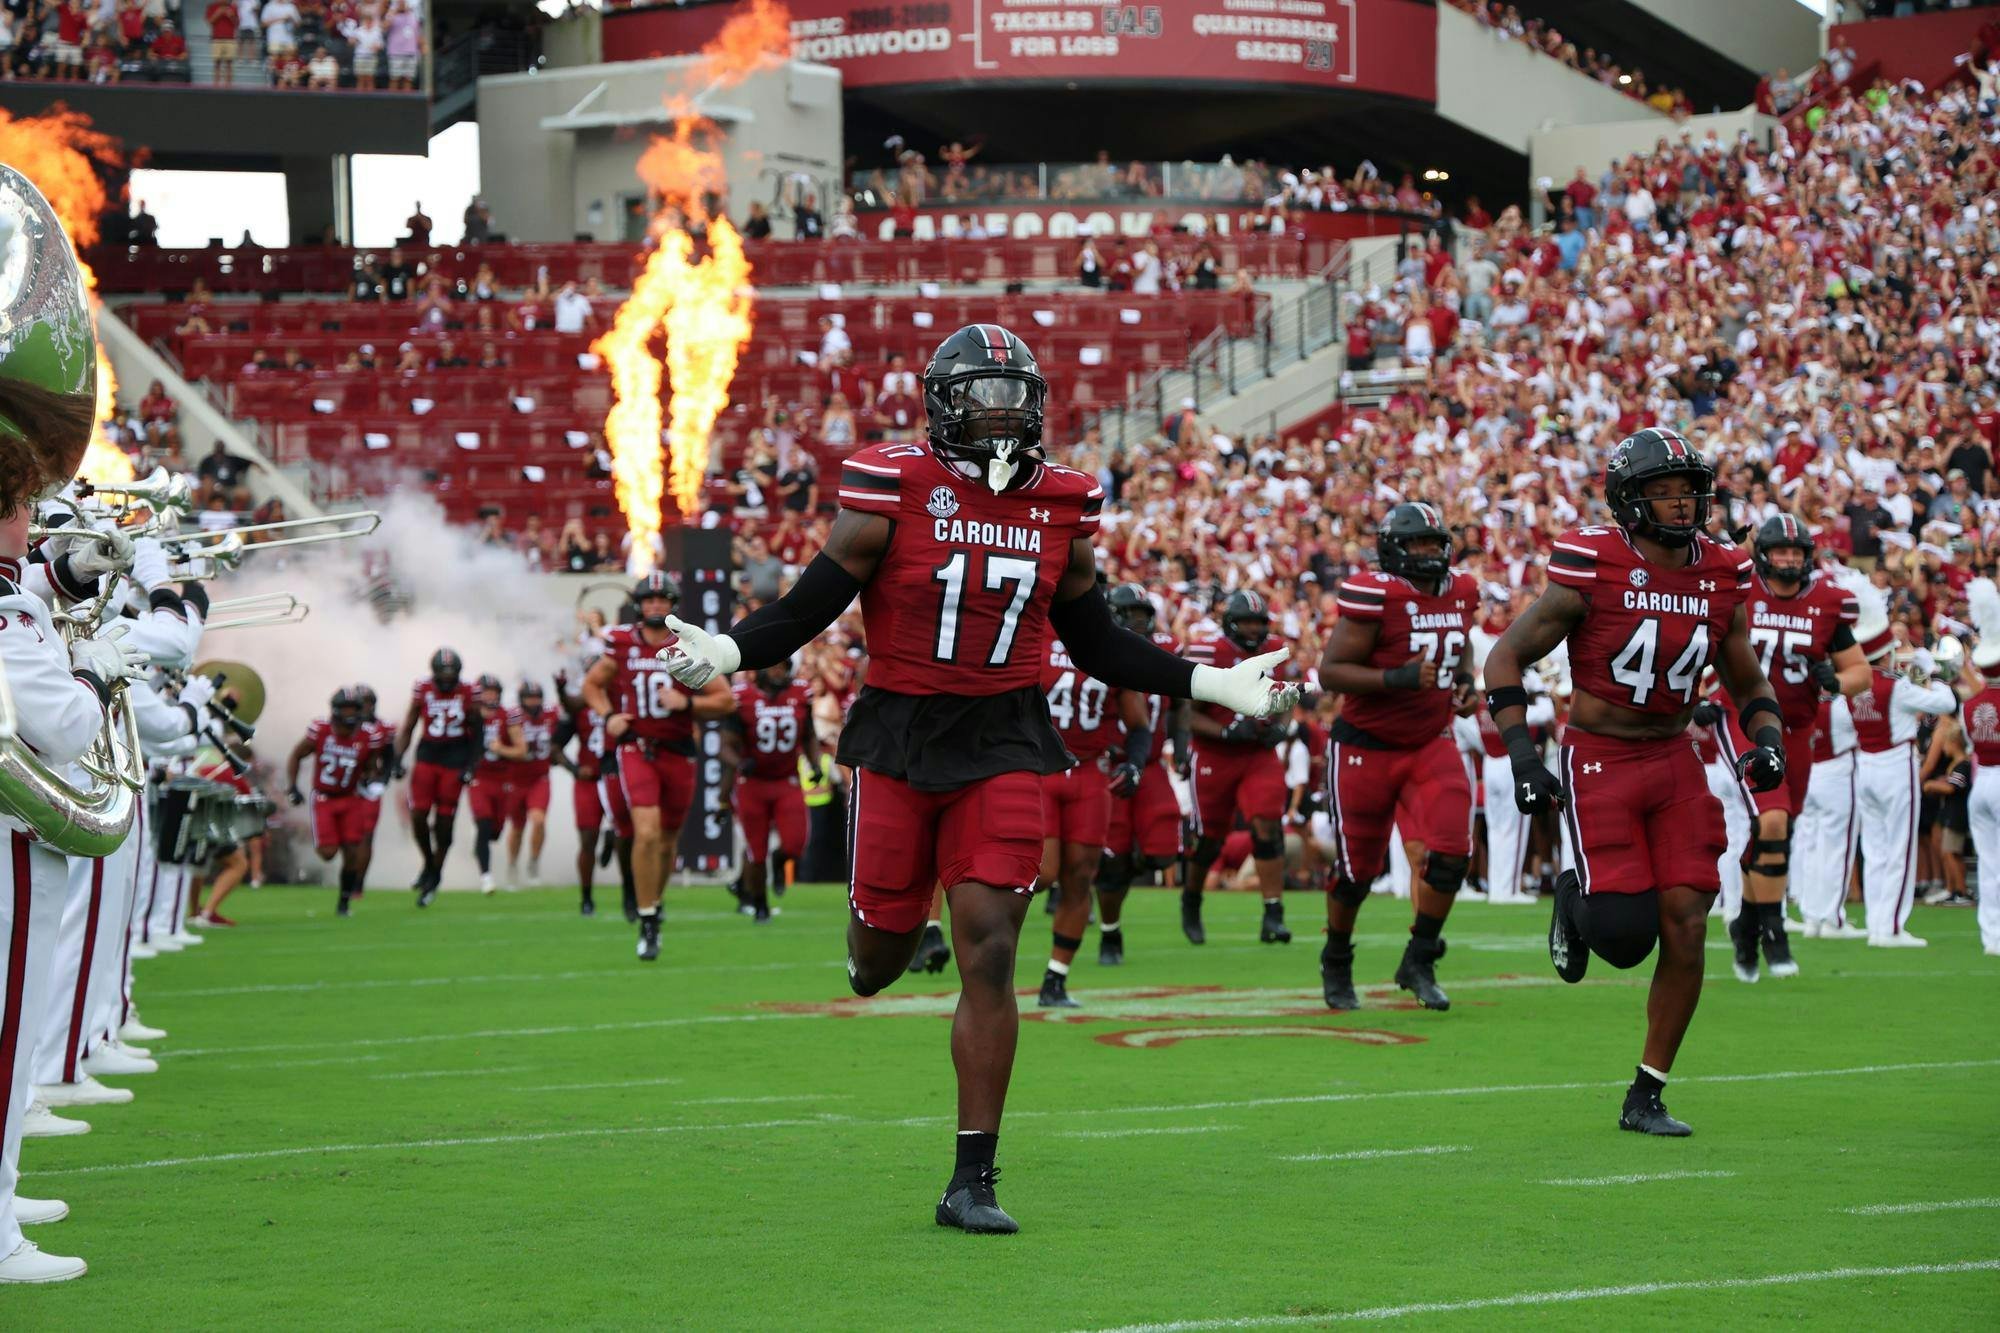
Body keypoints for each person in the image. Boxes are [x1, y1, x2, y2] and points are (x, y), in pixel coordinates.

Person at [657, 323, 1293, 1233]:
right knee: (876, 966)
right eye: (983, 395)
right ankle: (879, 925)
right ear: (944, 403)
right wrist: (727, 648)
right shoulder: (891, 484)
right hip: (902, 736)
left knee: (992, 946)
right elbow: (809, 605)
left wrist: (1209, 680)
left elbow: (1096, 641)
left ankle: (973, 1177)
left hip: (1003, 736)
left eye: (1015, 395)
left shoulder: (1063, 502)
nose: (1002, 413)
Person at [1483, 428, 1782, 1137]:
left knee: (1685, 922)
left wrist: (1766, 740)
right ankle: (1571, 895)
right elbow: (1505, 658)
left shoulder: (1724, 571)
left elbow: (1745, 675)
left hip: (1675, 757)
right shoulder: (1593, 561)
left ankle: (1646, 1090)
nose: (1681, 503)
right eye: (1664, 491)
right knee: (1623, 937)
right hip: (1601, 756)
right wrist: (1526, 758)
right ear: (1630, 498)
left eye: (1689, 490)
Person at [1316, 503, 1479, 1009]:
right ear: (1393, 551)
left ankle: (1420, 956)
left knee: (1453, 851)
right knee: (1356, 873)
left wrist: (1467, 680)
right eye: (1417, 545)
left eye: (1434, 544)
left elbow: (1461, 643)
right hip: (1366, 747)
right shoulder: (1377, 595)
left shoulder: (1461, 591)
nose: (1428, 554)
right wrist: (1398, 678)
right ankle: (1337, 957)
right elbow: (1331, 672)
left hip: (1430, 740)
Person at [1710, 517, 1869, 982]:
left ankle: (1747, 924)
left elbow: (1860, 670)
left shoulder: (1826, 603)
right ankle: (1774, 930)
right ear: (1764, 554)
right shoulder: (1743, 590)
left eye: (1796, 553)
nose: (1788, 560)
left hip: (1798, 727)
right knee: (1772, 818)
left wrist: (1836, 681)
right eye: (1780, 552)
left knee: (1777, 832)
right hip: (1746, 719)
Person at [581, 574, 735, 961]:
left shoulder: (686, 643)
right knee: (645, 832)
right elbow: (591, 685)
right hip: (637, 746)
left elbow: (725, 700)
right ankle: (648, 919)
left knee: (667, 841)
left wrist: (687, 705)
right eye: (648, 600)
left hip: (678, 749)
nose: (654, 606)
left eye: (661, 599)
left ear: (672, 603)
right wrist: (608, 715)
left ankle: (654, 901)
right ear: (638, 604)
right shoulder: (621, 644)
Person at [1034, 630, 1149, 1007]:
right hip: (1039, 767)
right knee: (1042, 873)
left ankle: (1056, 978)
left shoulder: (1105, 645)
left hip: (1089, 770)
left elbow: (1138, 724)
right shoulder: (1031, 632)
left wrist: (1133, 763)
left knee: (1080, 876)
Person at [1180, 590, 1297, 947]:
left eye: (1258, 622)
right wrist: (1226, 730)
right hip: (1214, 755)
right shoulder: (1208, 652)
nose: (1253, 629)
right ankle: (1192, 899)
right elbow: (1187, 715)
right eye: (1246, 621)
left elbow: (1288, 693)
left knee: (1267, 824)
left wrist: (1282, 724)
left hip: (1256, 754)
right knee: (1211, 839)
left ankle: (1273, 913)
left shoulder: (1275, 649)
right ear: (1230, 623)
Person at [1847, 589, 1956, 948]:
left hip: (1865, 764)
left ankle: (1879, 922)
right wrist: (1932, 673)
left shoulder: (1856, 685)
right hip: (1895, 764)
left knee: (1876, 848)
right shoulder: (1896, 686)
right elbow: (1946, 701)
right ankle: (1891, 926)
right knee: (1899, 849)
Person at [1094, 584, 1186, 963]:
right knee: (1112, 861)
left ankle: (1124, 869)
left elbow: (1180, 703)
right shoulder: (1092, 651)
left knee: (1162, 855)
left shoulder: (1164, 648)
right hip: (1110, 765)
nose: (1137, 621)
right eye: (1129, 614)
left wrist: (1181, 747)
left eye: (1142, 614)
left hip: (1148, 764)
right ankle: (1110, 932)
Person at [720, 662, 819, 922]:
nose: (779, 673)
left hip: (787, 780)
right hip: (753, 782)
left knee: (796, 843)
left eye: (784, 668)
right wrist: (740, 763)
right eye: (775, 667)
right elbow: (725, 745)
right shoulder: (742, 697)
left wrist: (816, 764)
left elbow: (809, 734)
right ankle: (760, 904)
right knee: (756, 850)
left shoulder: (800, 693)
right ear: (761, 669)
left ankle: (780, 860)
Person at [393, 647, 481, 904]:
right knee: (418, 814)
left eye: (450, 673)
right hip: (428, 755)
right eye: (442, 673)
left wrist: (471, 767)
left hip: (455, 758)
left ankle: (435, 875)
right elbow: (409, 725)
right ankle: (429, 864)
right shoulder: (423, 689)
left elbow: (479, 731)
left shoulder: (468, 691)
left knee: (444, 822)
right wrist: (397, 759)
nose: (446, 678)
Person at [287, 688, 379, 917]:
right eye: (345, 708)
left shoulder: (367, 735)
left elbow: (372, 764)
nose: (349, 714)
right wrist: (293, 786)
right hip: (324, 798)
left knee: (353, 853)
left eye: (353, 709)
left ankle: (344, 901)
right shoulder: (321, 730)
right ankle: (326, 837)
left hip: (351, 798)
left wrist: (372, 775)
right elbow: (297, 755)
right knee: (328, 852)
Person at [464, 674, 526, 896]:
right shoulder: (470, 716)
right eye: (485, 692)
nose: (489, 696)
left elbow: (521, 750)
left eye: (493, 692)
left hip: (503, 778)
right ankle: (486, 877)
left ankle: (479, 845)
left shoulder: (507, 716)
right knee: (483, 823)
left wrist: (501, 749)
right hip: (479, 777)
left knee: (495, 832)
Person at [504, 680, 557, 887]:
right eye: (529, 698)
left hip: (539, 777)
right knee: (517, 828)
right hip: (515, 780)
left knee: (539, 820)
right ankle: (512, 865)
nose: (533, 702)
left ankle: (534, 863)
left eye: (536, 697)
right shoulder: (514, 717)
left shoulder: (550, 714)